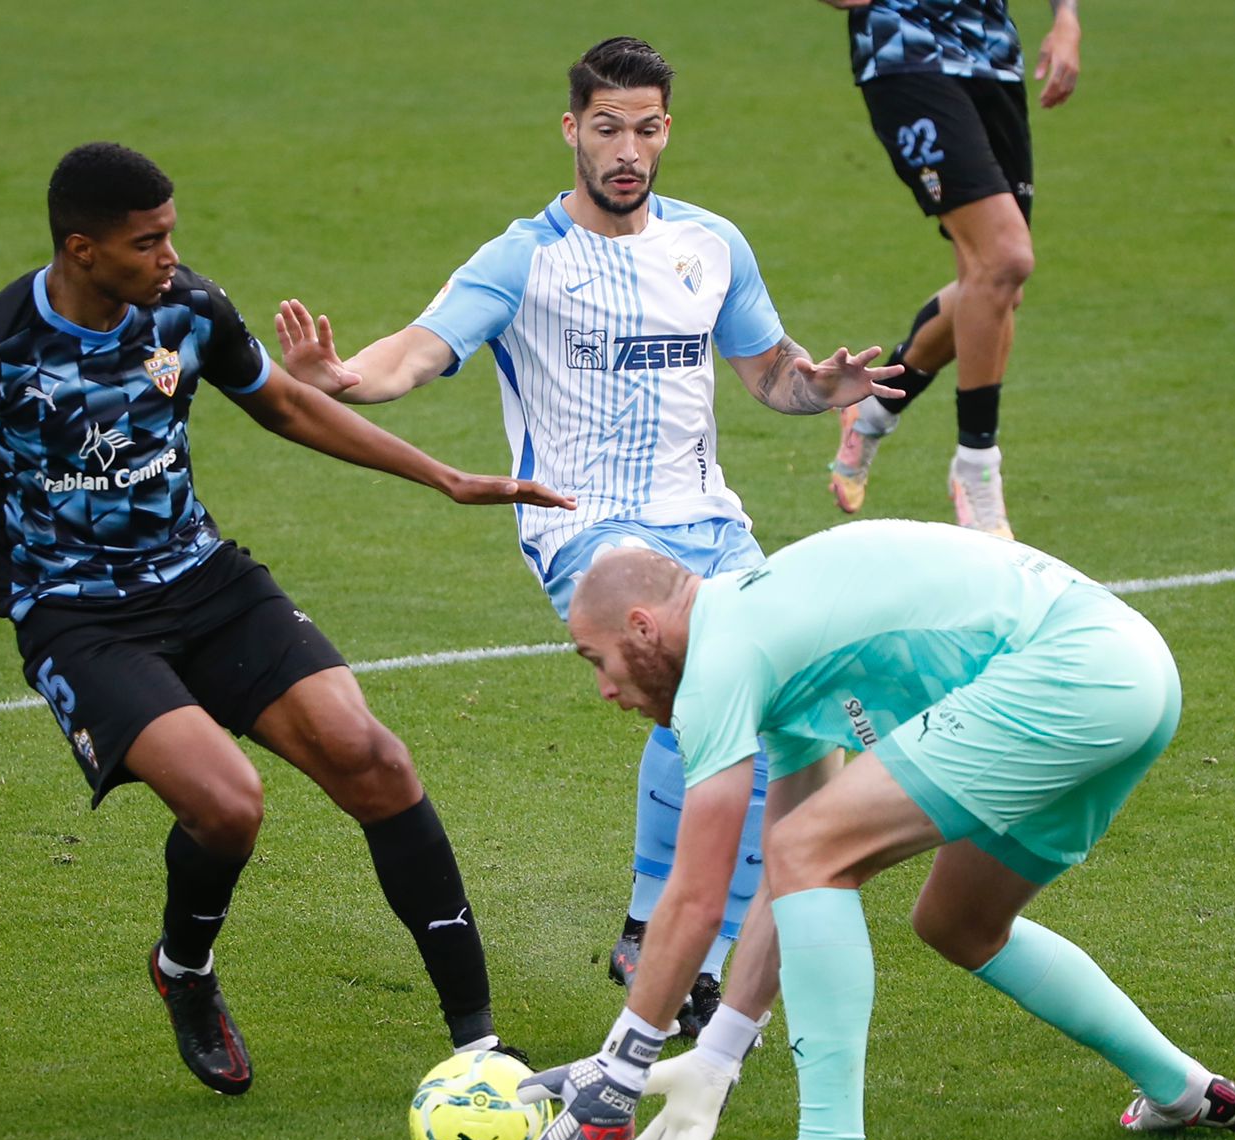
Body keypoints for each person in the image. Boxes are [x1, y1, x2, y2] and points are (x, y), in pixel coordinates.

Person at [0, 143, 572, 1096]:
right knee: (228, 804)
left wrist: (444, 478)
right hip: (79, 618)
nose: (170, 256)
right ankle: (184, 971)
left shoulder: (186, 309)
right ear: (82, 249)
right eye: (146, 241)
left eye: (171, 234)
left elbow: (282, 405)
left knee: (374, 758)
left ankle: (479, 1047)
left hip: (205, 581)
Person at [272, 36, 902, 1035]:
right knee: (695, 667)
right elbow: (416, 353)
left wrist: (815, 389)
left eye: (644, 129)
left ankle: (680, 942)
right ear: (571, 129)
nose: (625, 150)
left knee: (784, 711)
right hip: (585, 529)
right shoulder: (523, 258)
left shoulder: (710, 247)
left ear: (664, 132)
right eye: (605, 127)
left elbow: (768, 373)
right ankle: (663, 937)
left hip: (706, 519)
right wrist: (345, 377)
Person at [520, 520, 1235, 1140]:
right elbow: (787, 880)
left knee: (812, 850)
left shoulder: (719, 659)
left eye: (597, 660)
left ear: (643, 629)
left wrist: (621, 1066)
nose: (606, 690)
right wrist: (716, 1056)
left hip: (1072, 671)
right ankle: (1183, 1090)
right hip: (1132, 672)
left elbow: (699, 895)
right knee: (959, 924)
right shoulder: (763, 637)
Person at [822, 0, 1083, 541]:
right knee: (1006, 258)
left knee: (994, 291)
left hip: (993, 58)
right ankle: (976, 465)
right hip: (907, 55)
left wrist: (1066, 19)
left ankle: (870, 413)